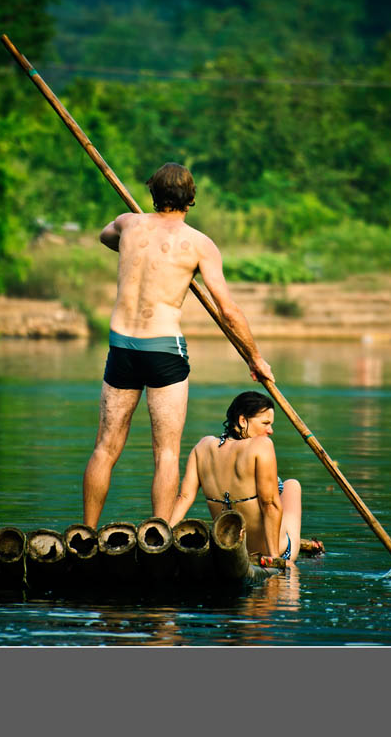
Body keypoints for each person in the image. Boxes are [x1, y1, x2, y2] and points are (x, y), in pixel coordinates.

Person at [82, 163, 273, 529]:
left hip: (121, 346)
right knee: (166, 453)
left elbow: (106, 237)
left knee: (105, 448)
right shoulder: (200, 244)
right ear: (192, 198)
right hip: (164, 350)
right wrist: (256, 358)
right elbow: (228, 311)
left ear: (153, 194)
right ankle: (157, 533)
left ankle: (86, 532)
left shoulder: (127, 224)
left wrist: (138, 242)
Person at [169, 391, 304, 563]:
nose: (270, 430)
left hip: (229, 551)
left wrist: (166, 537)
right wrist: (274, 559)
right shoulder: (261, 445)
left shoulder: (202, 447)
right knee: (292, 485)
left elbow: (184, 498)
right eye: (265, 423)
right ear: (242, 420)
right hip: (271, 550)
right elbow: (269, 504)